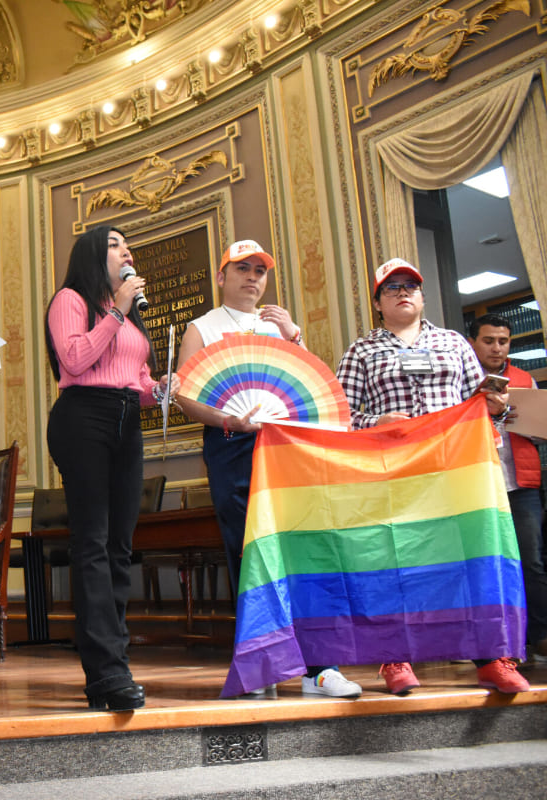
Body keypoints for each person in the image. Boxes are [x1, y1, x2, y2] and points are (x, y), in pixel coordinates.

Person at [175, 239, 361, 698]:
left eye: (260, 269)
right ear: (221, 277)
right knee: (248, 555)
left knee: (304, 552)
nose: (253, 277)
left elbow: (311, 394)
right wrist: (226, 420)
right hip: (231, 446)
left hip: (287, 450)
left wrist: (295, 338)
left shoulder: (282, 327)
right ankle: (259, 665)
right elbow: (183, 394)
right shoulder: (202, 328)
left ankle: (320, 668)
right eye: (242, 268)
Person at [336, 258, 530, 695]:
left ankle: (490, 657)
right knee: (394, 561)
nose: (403, 292)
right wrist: (377, 421)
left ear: (423, 297)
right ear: (378, 304)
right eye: (392, 288)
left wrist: (494, 408)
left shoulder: (455, 344)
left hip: (453, 468)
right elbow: (340, 416)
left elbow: (477, 404)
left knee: (468, 560)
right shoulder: (360, 351)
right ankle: (395, 657)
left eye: (411, 286)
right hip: (393, 472)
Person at [44, 225, 173, 711]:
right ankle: (104, 674)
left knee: (120, 547)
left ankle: (115, 658)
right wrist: (117, 310)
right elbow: (75, 360)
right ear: (94, 253)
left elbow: (134, 378)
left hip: (125, 419)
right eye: (117, 243)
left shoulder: (127, 316)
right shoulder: (71, 299)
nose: (128, 250)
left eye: (128, 244)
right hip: (83, 418)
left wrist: (158, 389)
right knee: (93, 544)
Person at [468, 313, 547, 661]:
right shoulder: (462, 379)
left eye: (503, 341)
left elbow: (541, 431)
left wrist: (518, 418)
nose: (497, 348)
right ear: (473, 342)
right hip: (476, 484)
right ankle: (488, 643)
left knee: (531, 561)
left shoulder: (523, 378)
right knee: (484, 563)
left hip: (521, 484)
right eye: (489, 340)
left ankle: (540, 637)